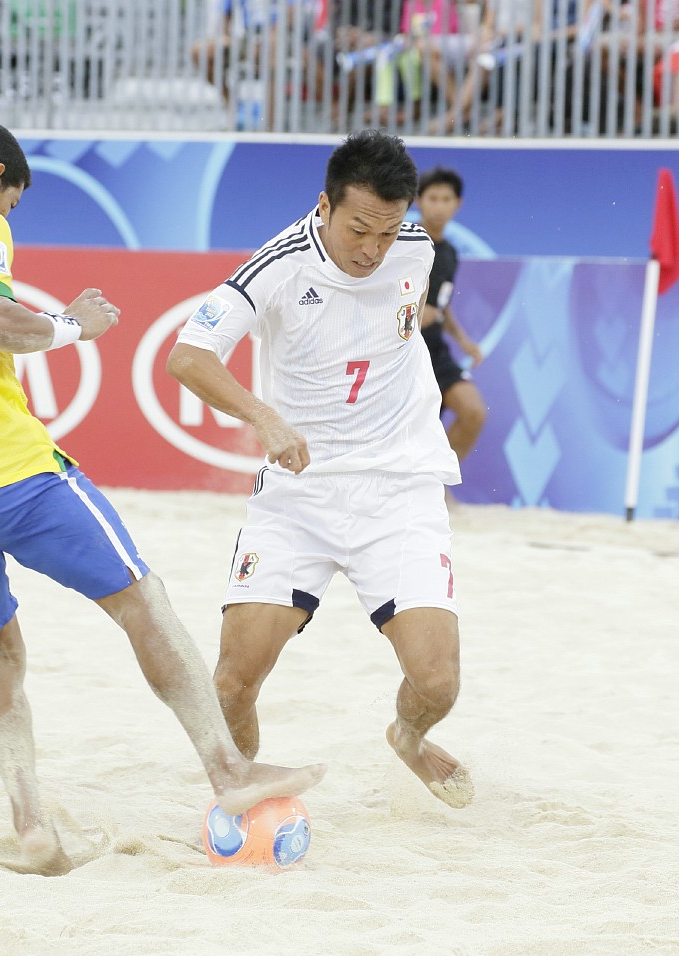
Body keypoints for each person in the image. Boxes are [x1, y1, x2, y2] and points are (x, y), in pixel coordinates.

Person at [0, 119, 325, 876]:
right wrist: (72, 325)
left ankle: (32, 827)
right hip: (9, 471)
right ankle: (229, 771)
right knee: (141, 600)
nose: (8, 215)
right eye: (12, 201)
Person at [165, 130, 473, 809]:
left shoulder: (417, 250)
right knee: (233, 683)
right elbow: (187, 356)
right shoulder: (278, 266)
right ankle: (241, 800)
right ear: (325, 206)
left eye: (387, 232)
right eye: (359, 229)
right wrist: (264, 417)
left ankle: (407, 737)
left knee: (438, 684)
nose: (372, 249)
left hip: (400, 488)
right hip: (298, 494)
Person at [414, 166, 486, 466]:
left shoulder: (450, 253)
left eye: (447, 199)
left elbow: (442, 306)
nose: (439, 207)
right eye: (433, 198)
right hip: (404, 351)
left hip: (437, 352)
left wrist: (464, 341)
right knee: (412, 433)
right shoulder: (404, 243)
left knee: (473, 412)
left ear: (458, 204)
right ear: (418, 200)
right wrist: (414, 316)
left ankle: (438, 480)